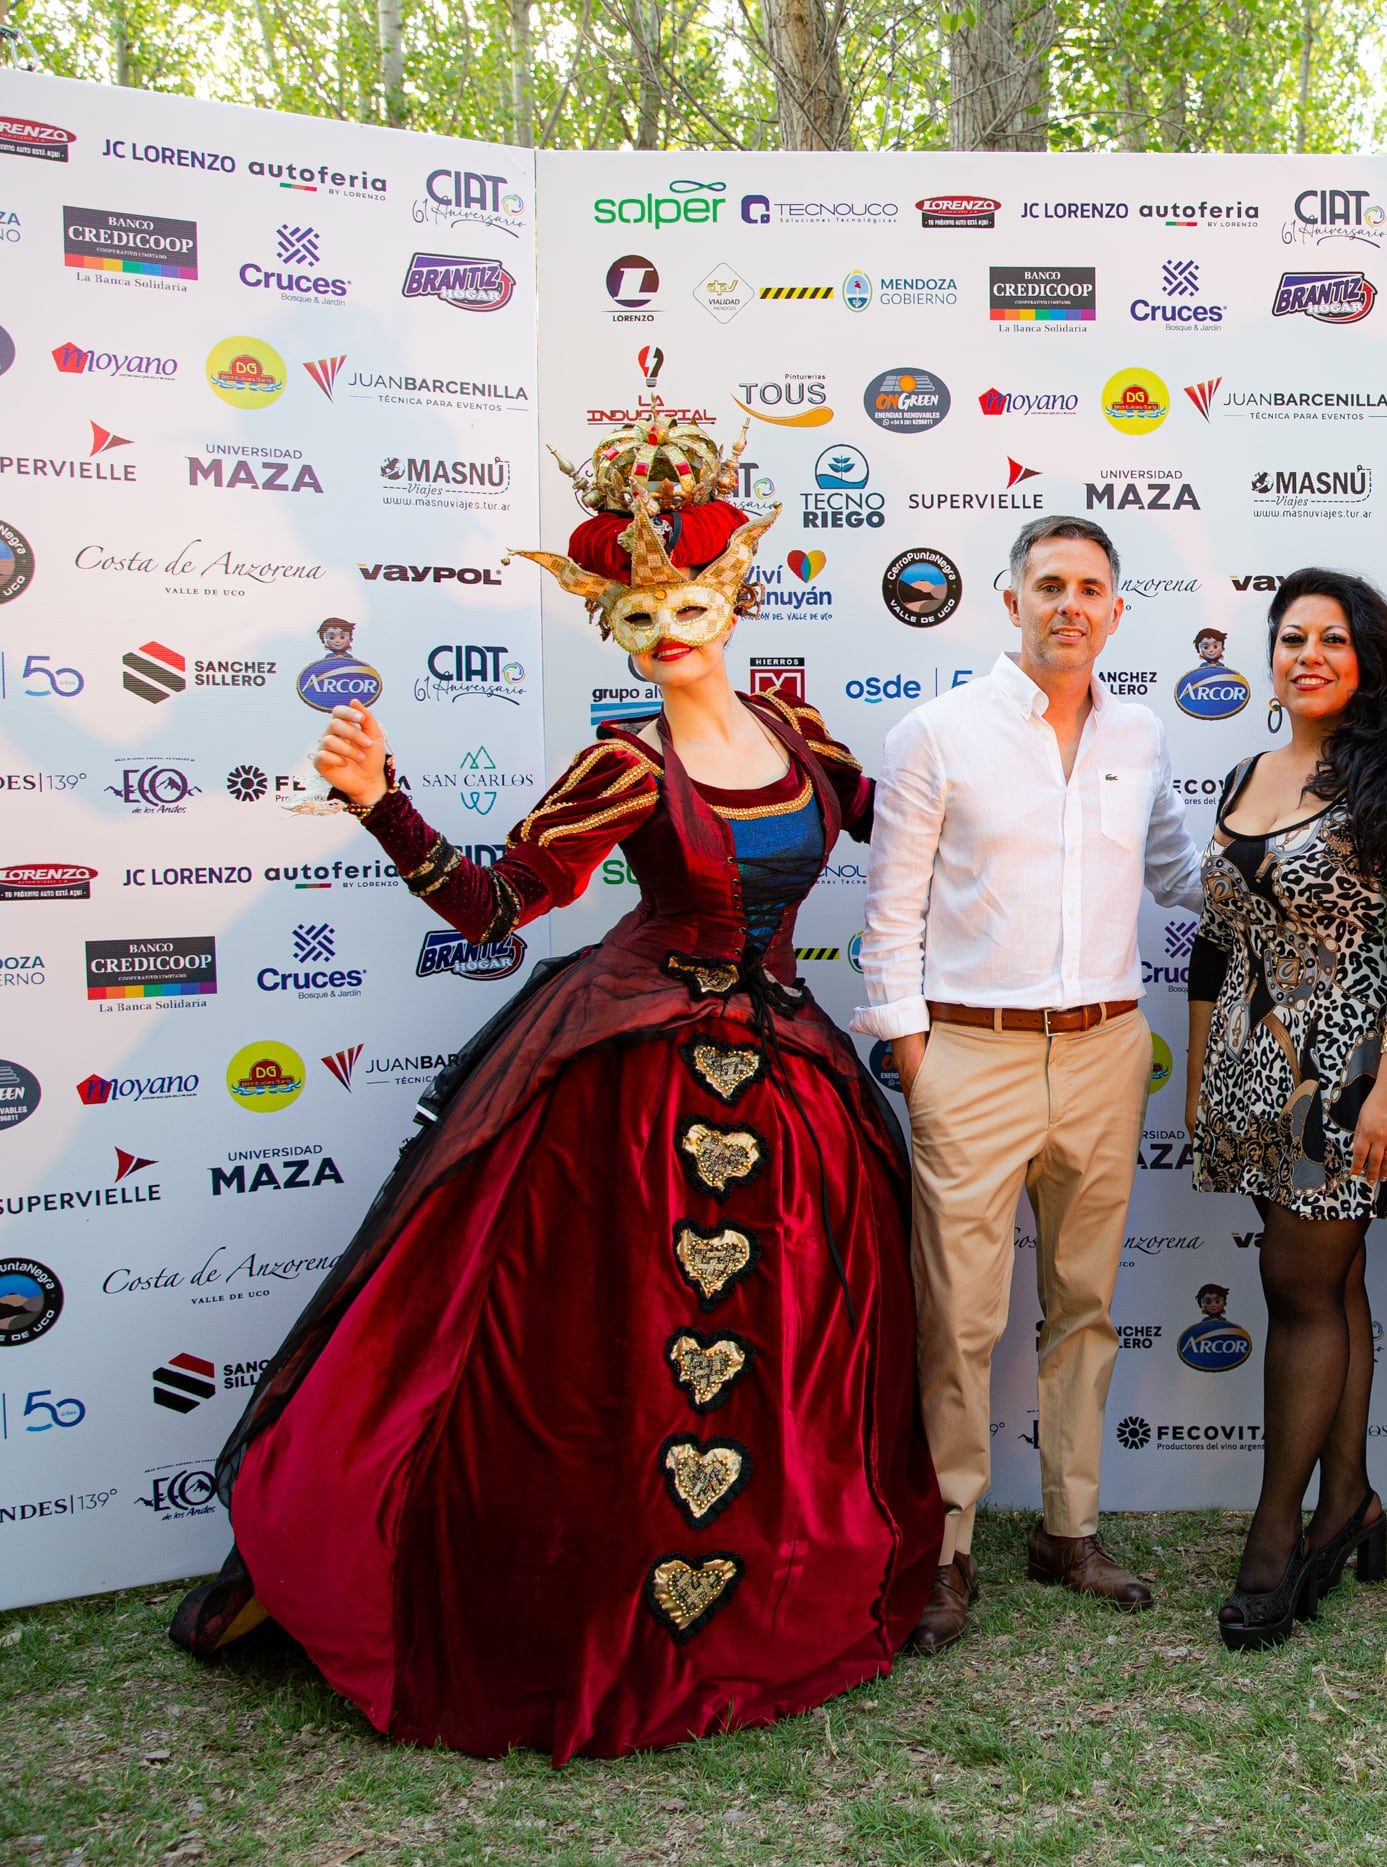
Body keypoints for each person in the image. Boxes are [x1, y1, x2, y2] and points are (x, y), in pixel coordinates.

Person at [168, 402, 945, 1761]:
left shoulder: (805, 739)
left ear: (736, 592)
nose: (676, 631)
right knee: (609, 1355)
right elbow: (489, 906)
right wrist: (382, 799)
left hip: (788, 1070)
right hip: (630, 1081)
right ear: (617, 629)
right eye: (644, 617)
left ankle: (767, 1586)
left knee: (787, 1351)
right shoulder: (621, 766)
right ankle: (583, 1602)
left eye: (695, 598)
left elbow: (925, 832)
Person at [856, 514, 1205, 1649]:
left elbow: (1179, 873)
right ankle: (948, 1543)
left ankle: (1069, 1526)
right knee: (959, 1314)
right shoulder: (937, 734)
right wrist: (919, 1061)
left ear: (1115, 610)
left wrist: (1307, 853)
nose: (1070, 602)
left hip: (1107, 1049)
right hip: (972, 1052)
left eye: (1090, 586)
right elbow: (890, 916)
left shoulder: (1143, 733)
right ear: (1008, 602)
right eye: (1048, 583)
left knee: (1086, 1306)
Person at [1185, 568, 1387, 1651]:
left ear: (1365, 658)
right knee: (1328, 1282)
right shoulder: (1246, 771)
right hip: (1255, 1070)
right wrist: (1205, 1077)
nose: (1308, 654)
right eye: (1290, 636)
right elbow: (1215, 938)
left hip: (1351, 1075)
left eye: (1331, 639)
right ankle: (1353, 1505)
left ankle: (1275, 1536)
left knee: (1294, 1288)